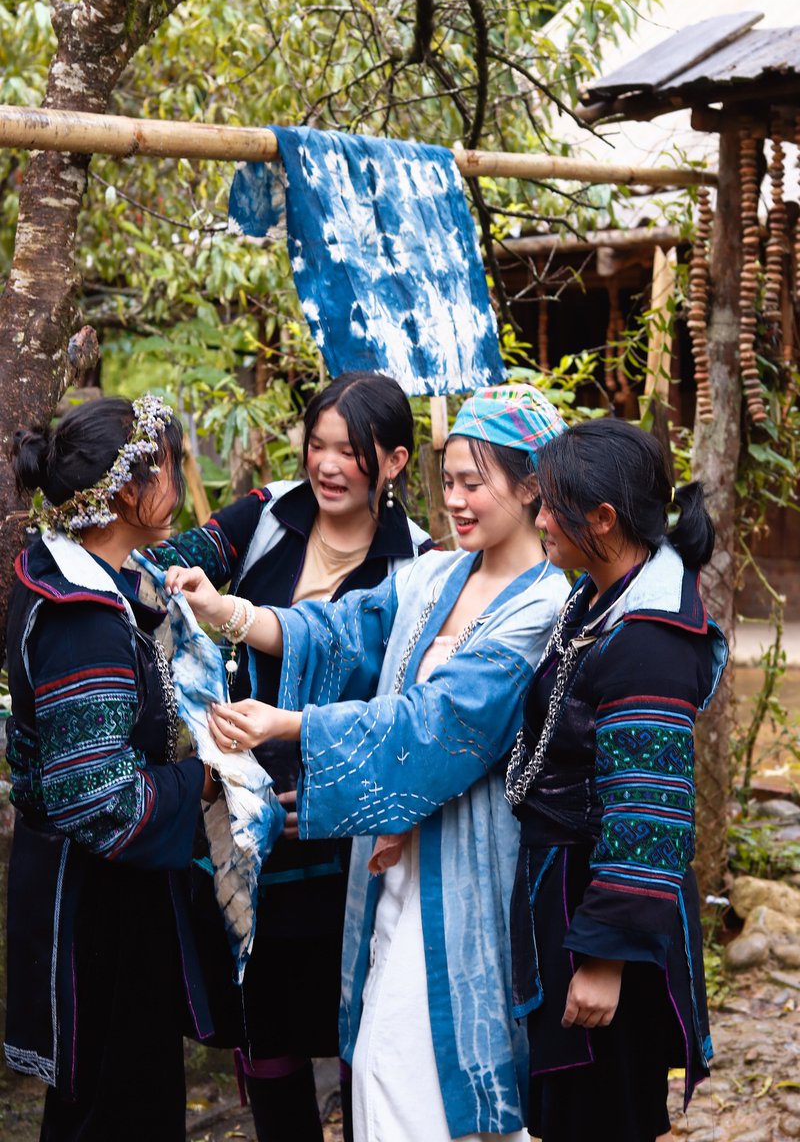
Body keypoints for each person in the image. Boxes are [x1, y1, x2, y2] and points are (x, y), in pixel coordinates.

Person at [167, 384, 572, 1142]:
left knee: (424, 1078)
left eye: (473, 483)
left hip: (470, 872)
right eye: (447, 481)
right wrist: (228, 611)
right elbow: (345, 627)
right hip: (392, 871)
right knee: (387, 1076)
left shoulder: (540, 608)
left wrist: (292, 722)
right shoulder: (435, 574)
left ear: (531, 487)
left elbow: (439, 722)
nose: (453, 500)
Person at [145, 371, 431, 1142]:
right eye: (317, 445)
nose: (327, 465)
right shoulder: (267, 516)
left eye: (351, 451)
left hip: (345, 840)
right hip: (245, 825)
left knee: (356, 1029)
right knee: (264, 1030)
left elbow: (405, 706)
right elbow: (157, 562)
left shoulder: (421, 569)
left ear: (395, 461)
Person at [503, 417, 728, 1142]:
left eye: (552, 506)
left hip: (606, 918)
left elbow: (649, 817)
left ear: (603, 518)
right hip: (571, 896)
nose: (539, 520)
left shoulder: (651, 639)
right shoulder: (601, 597)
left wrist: (603, 958)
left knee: (605, 1115)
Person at [4, 395, 217, 1142]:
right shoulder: (81, 619)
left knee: (116, 1097)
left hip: (112, 895)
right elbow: (98, 798)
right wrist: (211, 783)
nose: (182, 481)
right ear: (127, 490)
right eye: (170, 467)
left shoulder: (99, 573)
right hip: (99, 911)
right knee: (117, 1106)